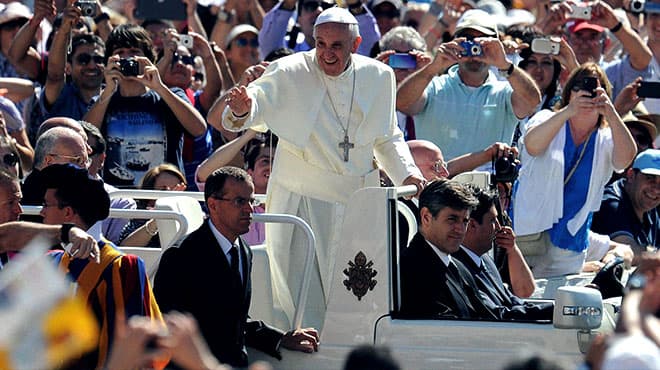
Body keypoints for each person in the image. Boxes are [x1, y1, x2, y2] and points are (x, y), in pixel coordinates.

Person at [223, 6, 424, 329]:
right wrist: (243, 108)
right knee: (302, 294)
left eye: (336, 46)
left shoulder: (379, 76)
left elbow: (387, 137)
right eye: (320, 44)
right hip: (301, 200)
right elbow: (255, 105)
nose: (326, 54)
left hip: (357, 202)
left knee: (356, 291)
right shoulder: (290, 70)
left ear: (356, 44)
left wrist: (409, 173)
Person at [154, 166, 319, 368]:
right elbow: (171, 329)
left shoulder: (243, 251)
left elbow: (236, 321)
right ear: (213, 205)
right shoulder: (181, 257)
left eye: (251, 201)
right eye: (240, 201)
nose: (249, 209)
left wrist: (281, 338)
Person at [512, 63, 637, 278]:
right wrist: (570, 110)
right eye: (579, 86)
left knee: (557, 301)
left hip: (569, 241)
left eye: (596, 89)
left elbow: (624, 161)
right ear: (569, 92)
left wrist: (611, 112)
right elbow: (532, 145)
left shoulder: (607, 137)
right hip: (528, 233)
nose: (586, 93)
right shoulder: (546, 118)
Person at [40, 164, 162, 369]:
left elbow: (129, 346)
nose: (41, 212)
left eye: (46, 205)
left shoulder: (120, 267)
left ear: (68, 212)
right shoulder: (53, 261)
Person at [396, 9, 540, 162]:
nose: (474, 48)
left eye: (483, 40)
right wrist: (433, 67)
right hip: (437, 184)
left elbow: (532, 102)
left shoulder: (504, 93)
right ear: (455, 41)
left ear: (496, 44)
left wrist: (505, 65)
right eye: (468, 40)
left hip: (488, 185)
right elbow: (402, 103)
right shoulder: (434, 87)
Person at [83, 24, 206, 187]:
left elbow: (199, 129)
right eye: (120, 53)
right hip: (117, 201)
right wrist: (108, 91)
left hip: (163, 199)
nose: (128, 58)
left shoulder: (170, 95)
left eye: (135, 52)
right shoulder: (102, 101)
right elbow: (83, 139)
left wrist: (159, 87)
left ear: (148, 59)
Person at [399, 178, 498, 319]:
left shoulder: (457, 266)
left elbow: (489, 314)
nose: (460, 229)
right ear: (426, 217)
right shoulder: (413, 271)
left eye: (464, 221)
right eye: (452, 219)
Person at [453, 185, 554, 316]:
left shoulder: (484, 260)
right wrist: (555, 311)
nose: (498, 227)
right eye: (492, 221)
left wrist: (512, 249)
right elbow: (496, 314)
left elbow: (514, 299)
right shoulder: (458, 269)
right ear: (472, 225)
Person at [40, 5, 105, 121]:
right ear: (68, 68)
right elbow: (54, 76)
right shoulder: (62, 96)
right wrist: (65, 27)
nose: (92, 65)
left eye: (98, 59)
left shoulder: (114, 97)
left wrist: (101, 15)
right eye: (83, 60)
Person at [592, 149, 660, 254]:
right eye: (649, 178)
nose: (656, 189)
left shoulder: (649, 206)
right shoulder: (611, 203)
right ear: (631, 175)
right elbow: (629, 251)